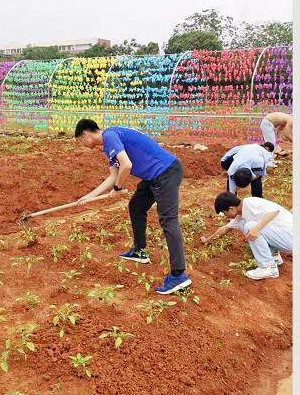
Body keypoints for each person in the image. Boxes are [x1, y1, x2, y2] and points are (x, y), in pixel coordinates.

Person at [74, 118, 190, 294]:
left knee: (168, 220)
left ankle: (178, 275)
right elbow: (112, 177)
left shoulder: (110, 135)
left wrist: (117, 188)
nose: (82, 144)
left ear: (86, 134)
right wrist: (88, 197)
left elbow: (126, 166)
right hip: (154, 176)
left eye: (80, 141)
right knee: (136, 206)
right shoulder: (109, 145)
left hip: (165, 172)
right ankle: (139, 250)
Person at [202, 193, 292, 280]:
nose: (225, 216)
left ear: (231, 209)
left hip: (291, 236)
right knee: (244, 224)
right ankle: (273, 256)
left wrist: (257, 227)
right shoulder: (241, 215)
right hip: (282, 236)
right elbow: (225, 229)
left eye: (224, 213)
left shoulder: (251, 203)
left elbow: (274, 211)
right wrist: (207, 240)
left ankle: (268, 267)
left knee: (250, 227)